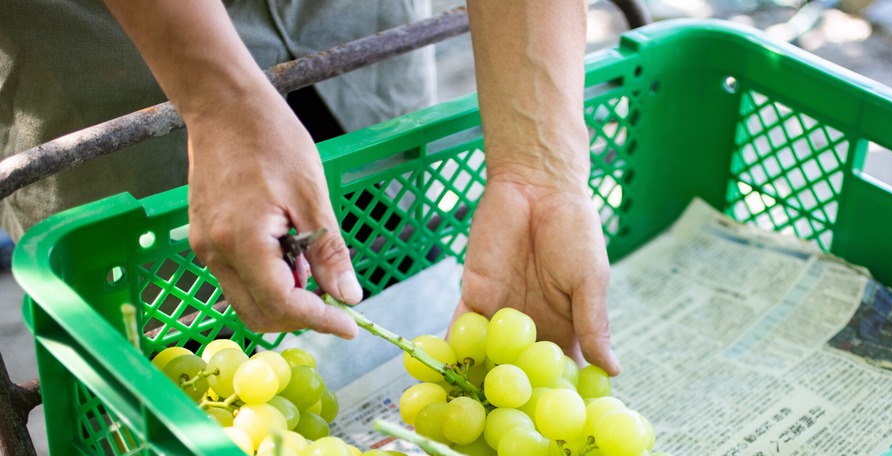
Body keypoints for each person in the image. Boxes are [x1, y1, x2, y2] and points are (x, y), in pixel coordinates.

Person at [1, 0, 619, 375]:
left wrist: (538, 171)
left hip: (340, 22)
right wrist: (218, 100)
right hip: (110, 41)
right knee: (180, 350)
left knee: (385, 249)